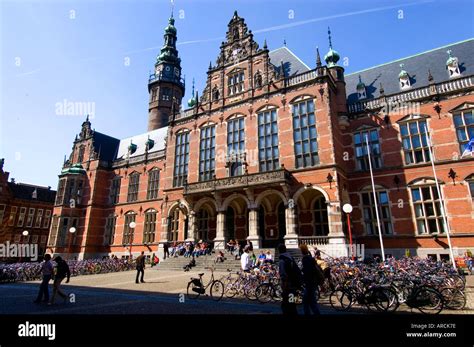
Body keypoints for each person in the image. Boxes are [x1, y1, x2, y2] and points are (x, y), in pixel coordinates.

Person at [278, 244, 302, 315]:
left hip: (288, 286)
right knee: (293, 304)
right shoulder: (291, 258)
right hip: (295, 286)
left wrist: (284, 286)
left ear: (279, 251)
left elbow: (283, 275)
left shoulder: (282, 260)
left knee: (285, 305)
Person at [300, 244, 323, 315]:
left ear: (302, 251)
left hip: (310, 283)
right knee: (311, 302)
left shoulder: (305, 259)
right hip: (314, 282)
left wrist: (302, 274)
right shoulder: (310, 258)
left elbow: (308, 272)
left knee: (306, 302)